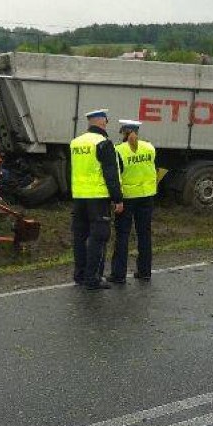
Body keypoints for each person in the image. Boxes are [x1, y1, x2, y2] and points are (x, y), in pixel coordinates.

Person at [70, 108, 124, 290]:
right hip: (98, 197)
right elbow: (111, 173)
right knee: (99, 237)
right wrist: (118, 199)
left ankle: (80, 275)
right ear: (102, 122)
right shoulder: (103, 143)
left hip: (79, 197)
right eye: (106, 121)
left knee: (80, 236)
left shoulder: (76, 143)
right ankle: (93, 278)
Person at [109, 119, 157, 283]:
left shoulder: (119, 150)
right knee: (144, 234)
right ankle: (145, 272)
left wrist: (117, 199)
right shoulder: (149, 147)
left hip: (128, 198)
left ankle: (118, 274)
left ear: (124, 132)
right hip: (147, 196)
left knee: (123, 235)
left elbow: (117, 176)